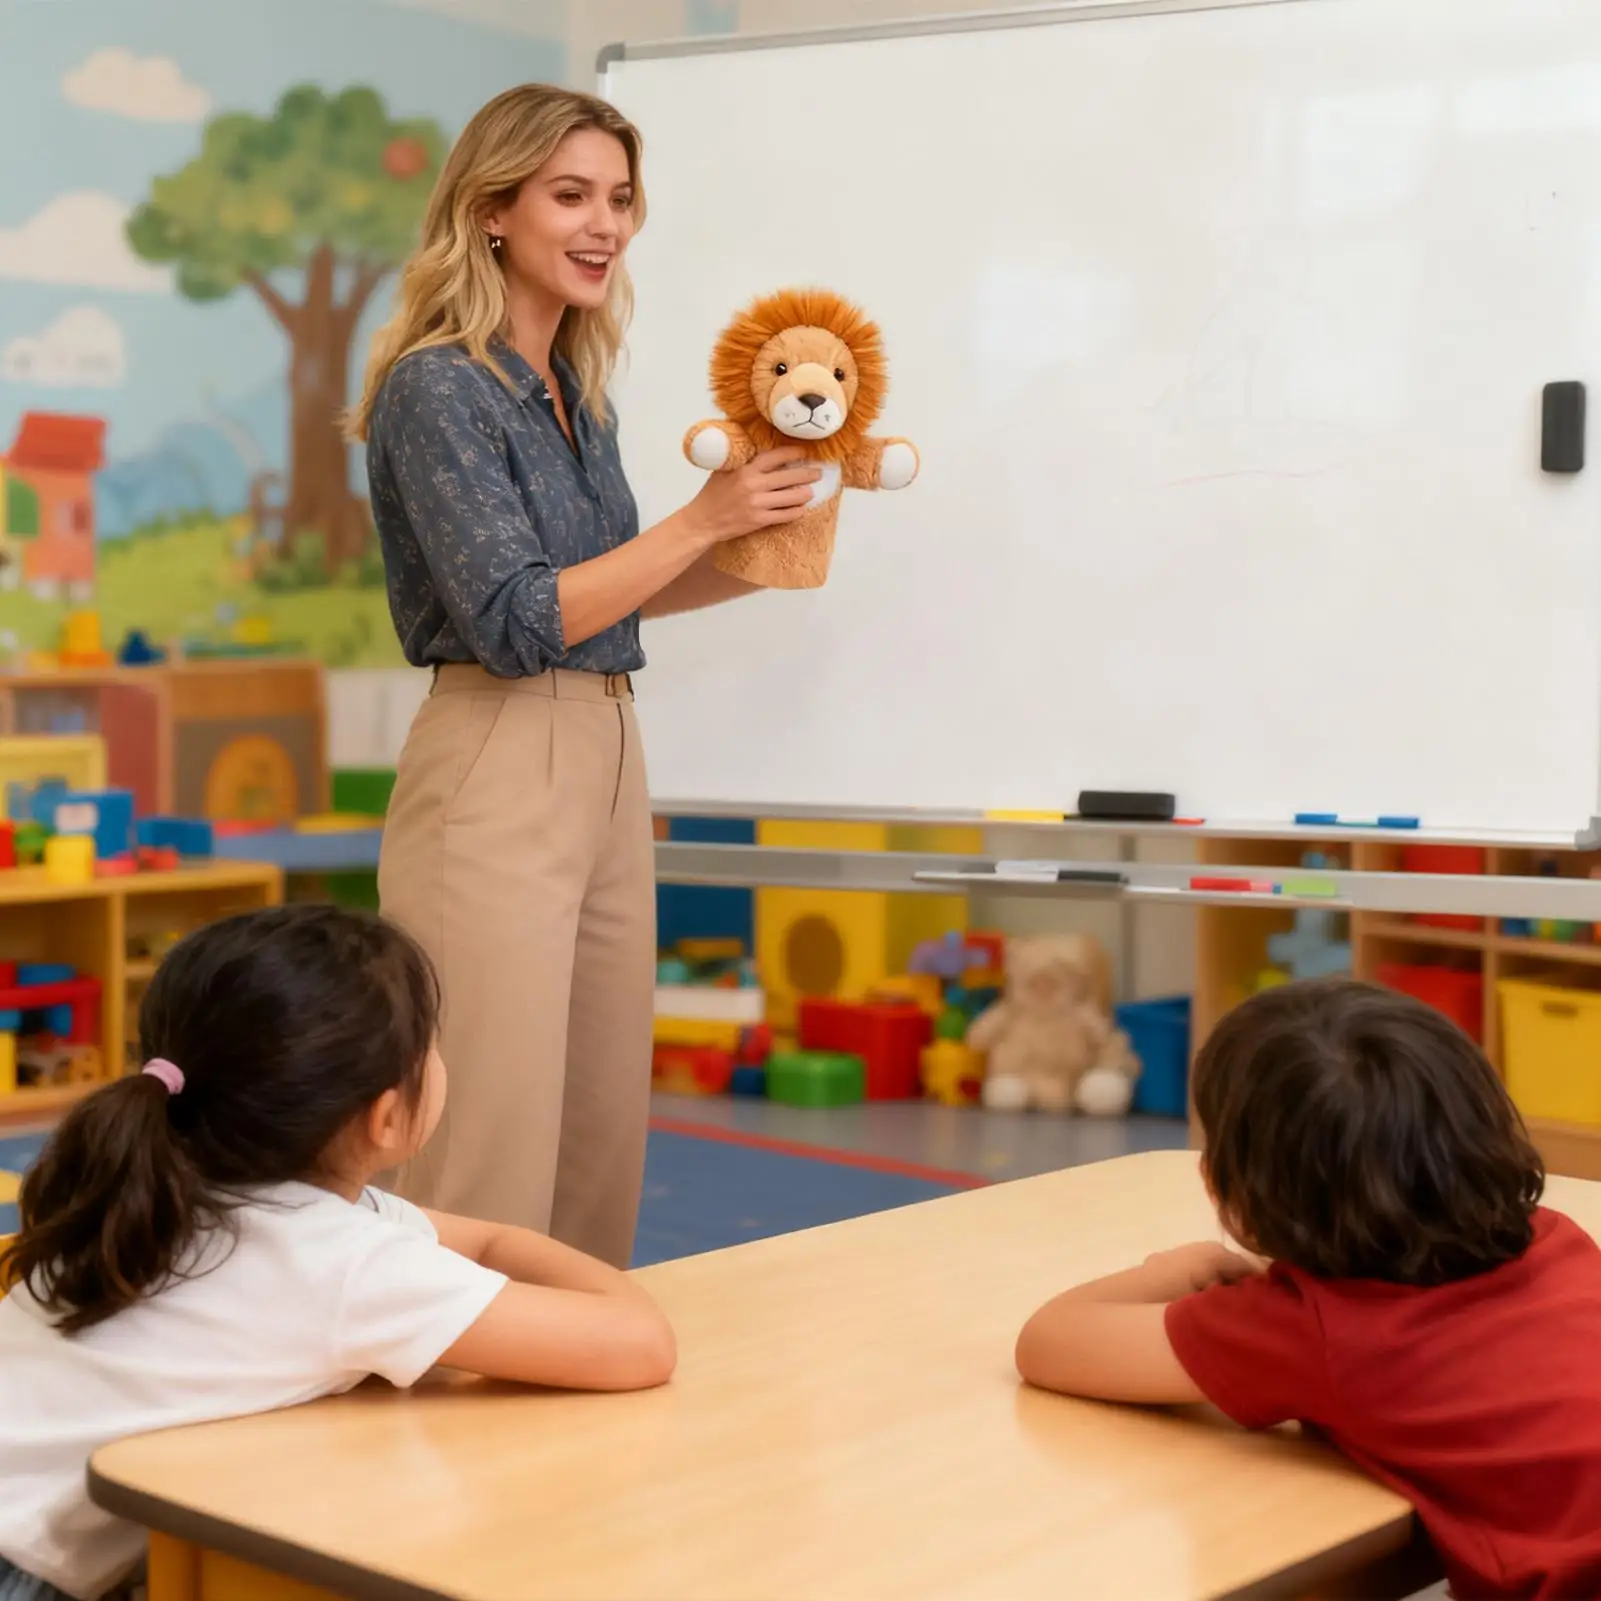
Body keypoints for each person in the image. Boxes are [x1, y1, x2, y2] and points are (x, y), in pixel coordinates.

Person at [346, 83, 819, 1265]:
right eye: (570, 195)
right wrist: (697, 518)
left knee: (599, 1129)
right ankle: (438, 1394)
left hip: (608, 747)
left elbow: (623, 596)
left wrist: (760, 536)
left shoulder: (578, 395)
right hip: (497, 752)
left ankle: (568, 1382)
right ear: (492, 210)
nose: (604, 223)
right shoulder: (435, 386)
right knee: (483, 1133)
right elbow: (517, 618)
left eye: (618, 197)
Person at [0, 904, 676, 1601]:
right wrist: (520, 1245)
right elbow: (641, 1344)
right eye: (431, 1047)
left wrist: (491, 1247)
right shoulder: (339, 1263)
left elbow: (471, 1242)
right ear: (387, 1115)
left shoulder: (153, 1189)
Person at [1014, 978, 1601, 1599]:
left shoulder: (1318, 1327)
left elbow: (1048, 1342)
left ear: (1223, 1189)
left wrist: (1176, 1269)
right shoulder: (1556, 1240)